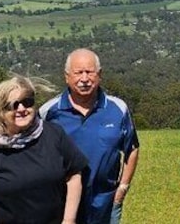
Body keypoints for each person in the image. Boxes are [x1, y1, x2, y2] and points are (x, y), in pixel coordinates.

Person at [0, 75, 88, 224]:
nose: (21, 109)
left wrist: (69, 220)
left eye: (27, 102)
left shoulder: (53, 134)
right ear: (0, 112)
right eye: (12, 105)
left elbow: (74, 175)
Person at [39, 49, 140, 224]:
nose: (84, 79)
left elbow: (132, 148)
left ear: (99, 75)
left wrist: (122, 188)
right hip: (62, 204)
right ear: (67, 76)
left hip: (106, 203)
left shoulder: (118, 109)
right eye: (78, 73)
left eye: (90, 72)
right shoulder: (49, 112)